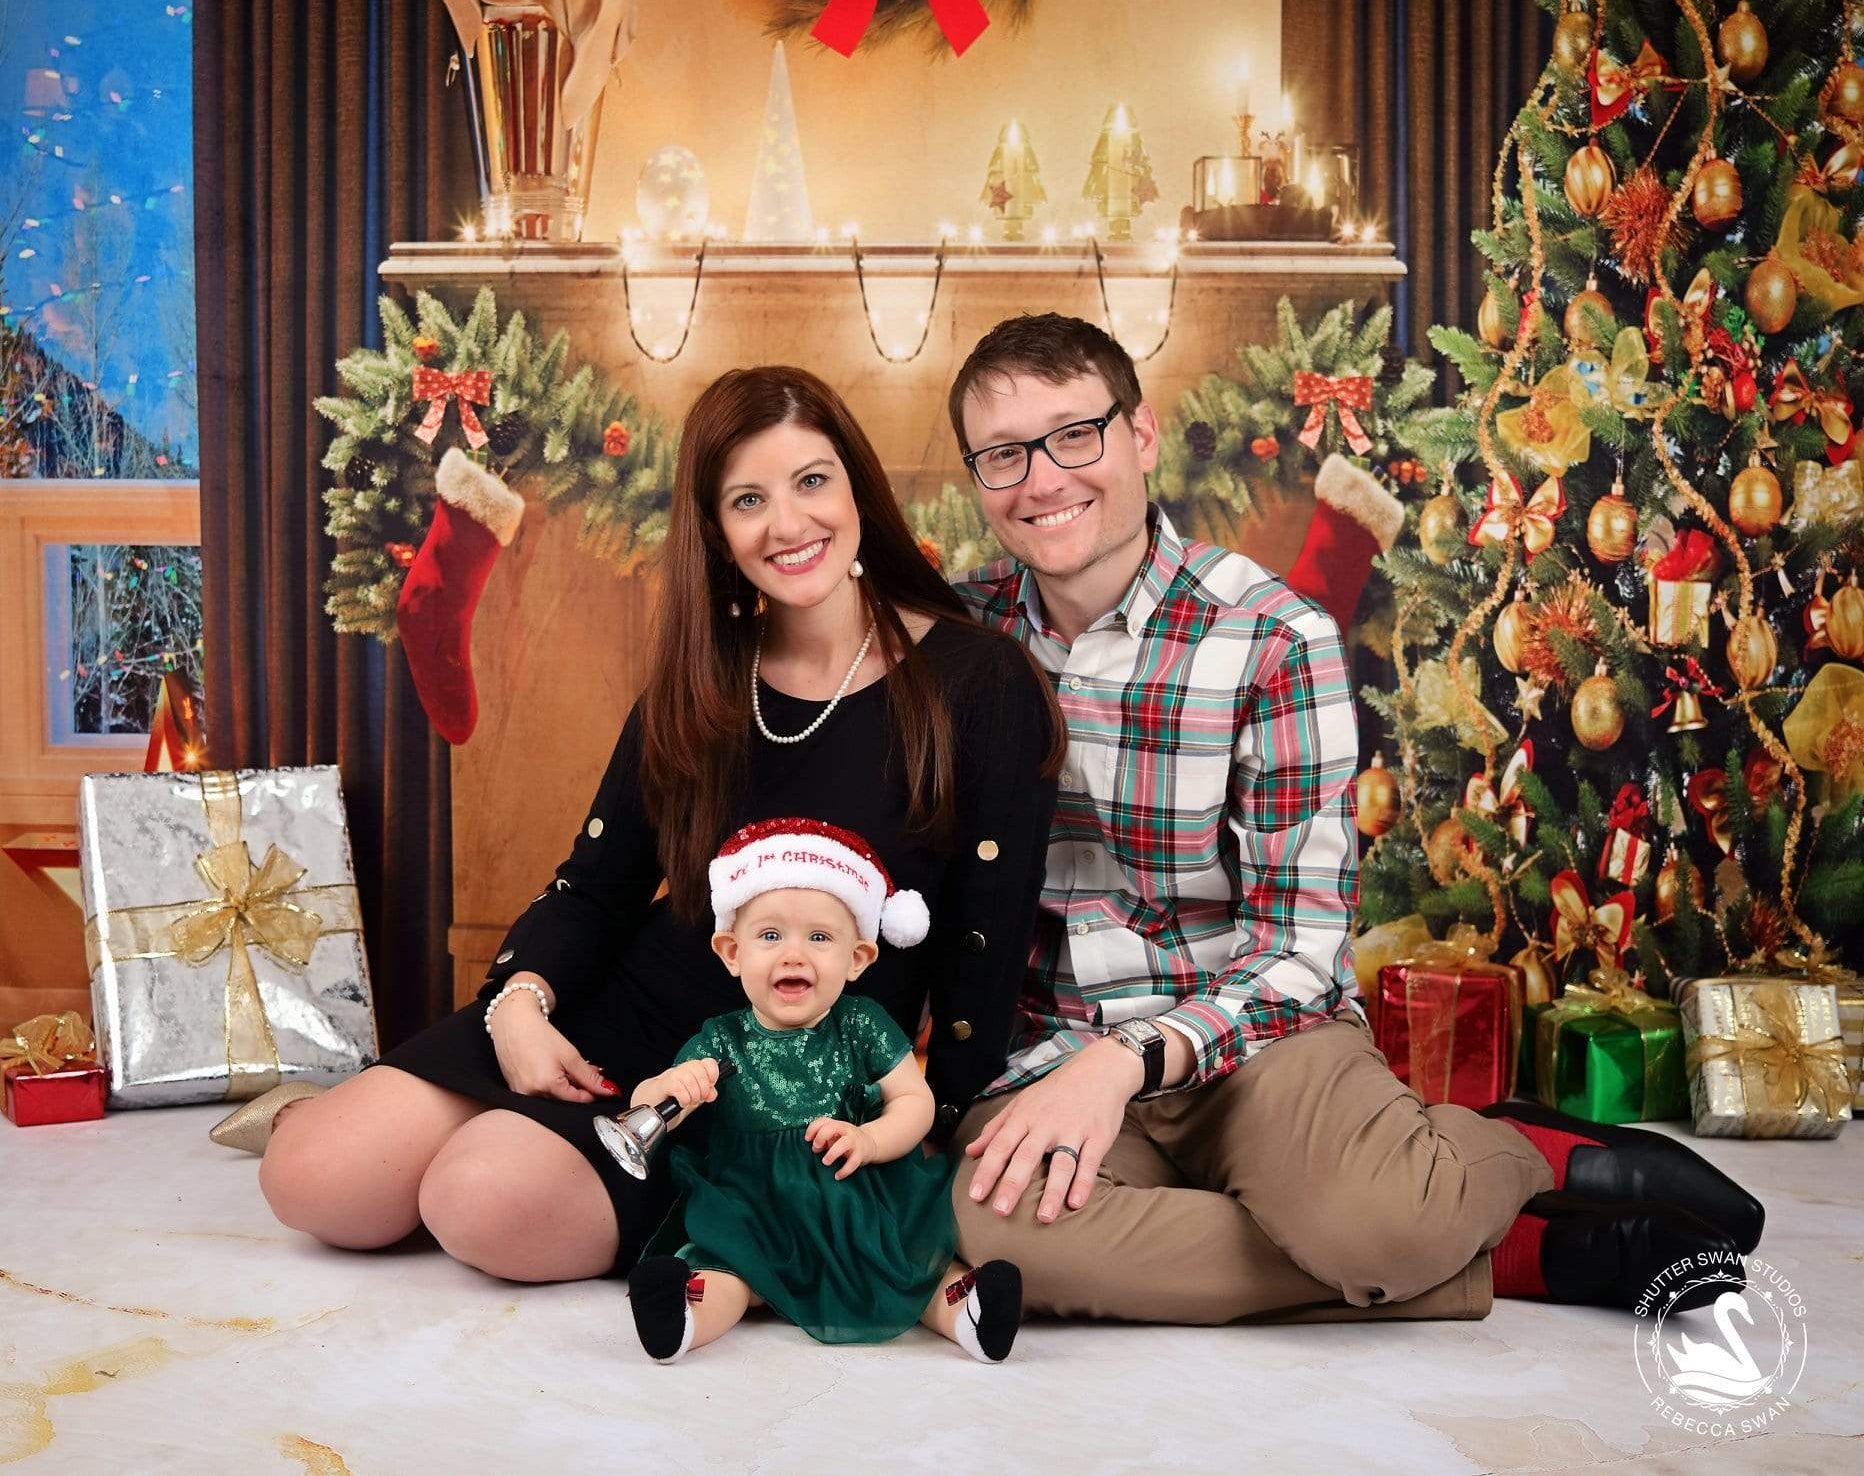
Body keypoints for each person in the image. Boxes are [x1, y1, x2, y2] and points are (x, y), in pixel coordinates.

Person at [941, 312, 1765, 1324]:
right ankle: (1514, 1254)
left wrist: (1130, 1060)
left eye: (1075, 435)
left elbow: (1298, 952)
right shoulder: (955, 633)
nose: (1043, 479)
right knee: (1000, 1232)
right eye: (1003, 455)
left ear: (1140, 437)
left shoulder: (1273, 637)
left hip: (1250, 1035)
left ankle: (1485, 1151)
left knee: (1368, 1225)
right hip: (1051, 1048)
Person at [235, 366, 1061, 1287]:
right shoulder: (705, 676)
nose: (788, 524)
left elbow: (985, 953)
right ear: (716, 532)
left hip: (760, 1078)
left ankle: (577, 1175)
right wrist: (519, 1005)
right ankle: (478, 1128)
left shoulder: (979, 684)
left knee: (478, 1201)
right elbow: (595, 885)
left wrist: (924, 1135)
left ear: (858, 488)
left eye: (812, 481)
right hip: (614, 1009)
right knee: (309, 1178)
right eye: (749, 499)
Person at [627, 818, 1024, 1364]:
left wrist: (871, 1140)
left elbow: (915, 1101)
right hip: (751, 1202)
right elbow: (652, 1105)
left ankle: (969, 1310)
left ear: (856, 958)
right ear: (731, 952)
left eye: (819, 938)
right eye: (770, 935)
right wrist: (672, 1084)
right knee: (727, 1268)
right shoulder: (722, 1038)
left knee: (908, 1263)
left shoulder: (860, 1024)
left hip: (854, 1195)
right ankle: (683, 1316)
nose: (794, 955)